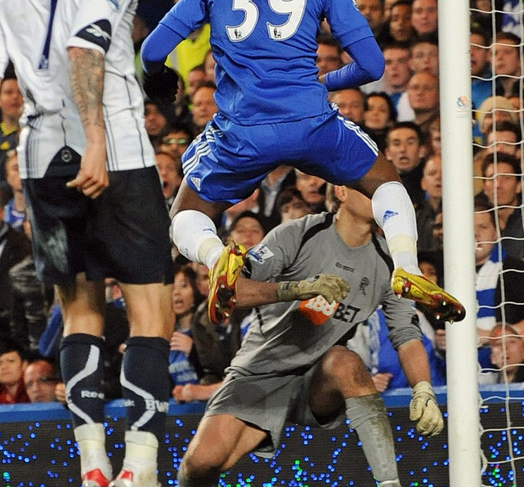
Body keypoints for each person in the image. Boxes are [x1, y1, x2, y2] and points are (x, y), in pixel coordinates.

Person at [139, 0, 464, 329]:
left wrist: (158, 75)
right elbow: (372, 65)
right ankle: (406, 266)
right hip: (311, 125)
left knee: (187, 211)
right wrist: (325, 82)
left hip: (243, 129)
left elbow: (152, 49)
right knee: (385, 180)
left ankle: (216, 255)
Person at [0, 0, 178, 487]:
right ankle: (139, 466)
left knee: (79, 311)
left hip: (41, 153)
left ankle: (92, 463)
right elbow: (86, 46)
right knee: (152, 310)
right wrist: (97, 139)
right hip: (118, 152)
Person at [174, 186, 444, 487]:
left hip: (317, 379)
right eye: (371, 191)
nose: (382, 200)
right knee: (201, 464)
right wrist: (295, 289)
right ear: (341, 192)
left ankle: (390, 483)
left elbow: (406, 334)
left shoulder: (390, 263)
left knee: (346, 361)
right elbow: (232, 290)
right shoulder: (299, 234)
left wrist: (424, 390)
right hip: (260, 370)